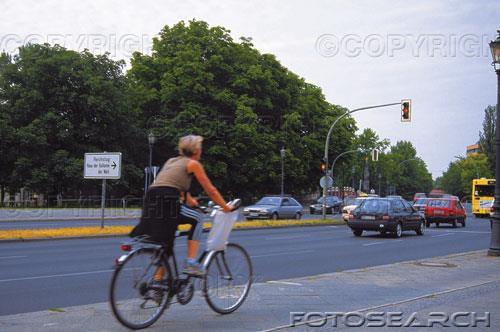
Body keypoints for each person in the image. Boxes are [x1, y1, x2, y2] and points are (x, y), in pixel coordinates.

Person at [131, 134, 231, 276]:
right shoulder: (193, 164)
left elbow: (172, 183)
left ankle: (157, 285)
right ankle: (191, 263)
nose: (201, 151)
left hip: (151, 199)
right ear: (196, 151)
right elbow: (211, 190)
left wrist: (189, 200)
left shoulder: (171, 161)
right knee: (198, 218)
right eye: (200, 148)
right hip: (167, 200)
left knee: (166, 244)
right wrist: (226, 207)